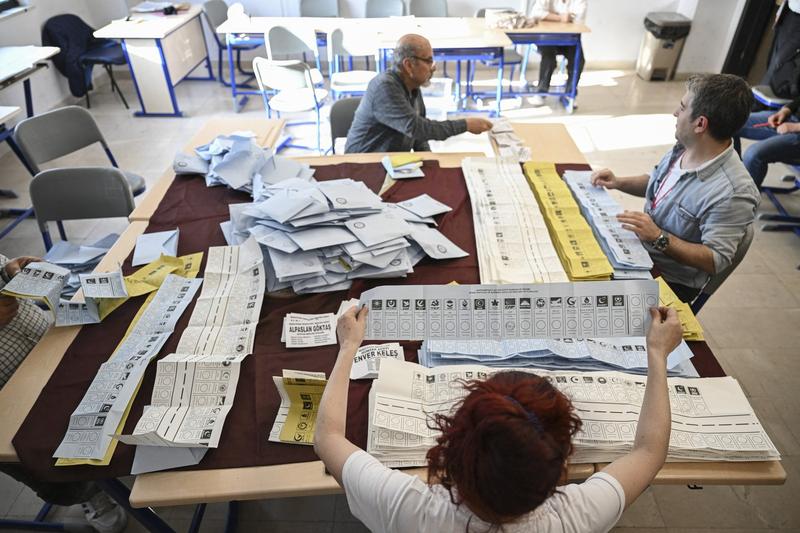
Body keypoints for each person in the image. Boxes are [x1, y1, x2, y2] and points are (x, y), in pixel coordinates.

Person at [314, 304, 683, 532]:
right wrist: (657, 354)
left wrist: (348, 348)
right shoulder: (575, 518)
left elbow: (328, 437)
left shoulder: (407, 508)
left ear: (453, 446)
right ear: (560, 468)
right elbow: (650, 452)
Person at [590, 74, 759, 303]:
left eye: (682, 107)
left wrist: (658, 237)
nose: (675, 113)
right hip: (638, 254)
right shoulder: (687, 146)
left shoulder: (734, 193)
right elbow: (659, 183)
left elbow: (715, 258)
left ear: (700, 124)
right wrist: (618, 181)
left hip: (667, 281)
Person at [0, 254, 127, 533]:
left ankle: (109, 458)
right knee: (43, 460)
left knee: (94, 396)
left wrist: (11, 271)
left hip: (47, 344)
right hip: (7, 399)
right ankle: (89, 493)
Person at [345, 34, 493, 153]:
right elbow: (417, 128)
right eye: (428, 61)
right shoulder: (385, 87)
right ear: (409, 65)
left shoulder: (413, 85)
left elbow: (418, 137)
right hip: (363, 166)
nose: (433, 67)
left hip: (391, 164)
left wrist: (430, 161)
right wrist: (465, 124)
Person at [526, 0, 588, 107]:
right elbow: (536, 13)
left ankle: (570, 93)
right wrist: (560, 18)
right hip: (547, 37)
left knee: (578, 60)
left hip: (569, 39)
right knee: (549, 59)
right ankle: (541, 92)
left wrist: (549, 16)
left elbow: (579, 20)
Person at [734, 95, 800, 188]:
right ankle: (733, 179)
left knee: (753, 155)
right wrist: (784, 111)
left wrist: (795, 127)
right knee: (732, 123)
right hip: (791, 118)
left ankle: (745, 198)